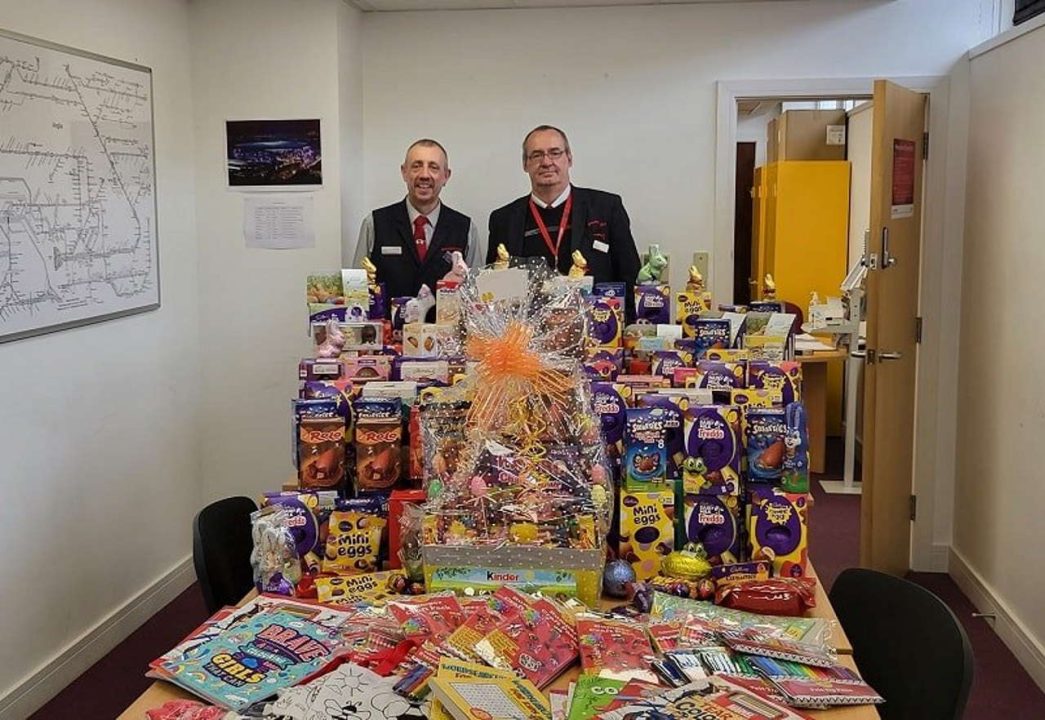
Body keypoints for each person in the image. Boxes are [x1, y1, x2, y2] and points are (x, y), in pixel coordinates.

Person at [486, 125, 640, 307]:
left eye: (555, 153)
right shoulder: (503, 220)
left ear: (569, 158)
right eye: (536, 155)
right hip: (528, 332)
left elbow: (630, 277)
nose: (546, 162)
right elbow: (494, 291)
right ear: (525, 164)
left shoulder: (606, 207)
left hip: (598, 328)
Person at [353, 139, 480, 300]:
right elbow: (355, 291)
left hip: (447, 325)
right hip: (388, 325)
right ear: (404, 172)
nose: (424, 175)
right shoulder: (374, 223)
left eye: (433, 167)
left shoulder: (465, 228)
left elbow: (476, 295)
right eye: (416, 166)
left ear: (446, 176)